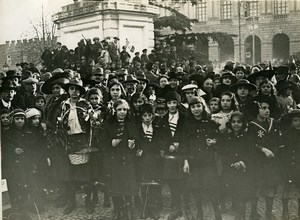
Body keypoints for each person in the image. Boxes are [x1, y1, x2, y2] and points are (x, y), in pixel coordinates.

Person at [57, 77, 94, 215]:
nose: (74, 92)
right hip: (69, 140)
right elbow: (60, 124)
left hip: (83, 139)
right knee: (69, 173)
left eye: (77, 89)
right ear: (68, 90)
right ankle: (71, 202)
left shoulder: (85, 104)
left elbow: (94, 124)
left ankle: (88, 201)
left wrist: (93, 118)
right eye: (72, 89)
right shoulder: (64, 105)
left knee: (86, 173)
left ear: (81, 92)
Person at [182, 96, 222, 220]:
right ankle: (200, 212)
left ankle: (217, 213)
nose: (196, 109)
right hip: (194, 161)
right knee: (196, 188)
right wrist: (185, 162)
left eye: (198, 106)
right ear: (190, 109)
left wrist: (215, 142)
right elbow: (184, 145)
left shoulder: (211, 122)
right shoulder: (186, 124)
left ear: (203, 107)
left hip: (209, 160)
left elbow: (221, 139)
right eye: (193, 107)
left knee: (212, 187)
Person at [102, 99, 141, 220]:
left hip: (128, 159)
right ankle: (117, 210)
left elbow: (139, 140)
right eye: (119, 109)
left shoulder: (132, 124)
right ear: (115, 110)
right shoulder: (109, 125)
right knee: (115, 185)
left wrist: (133, 144)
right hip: (114, 159)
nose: (122, 112)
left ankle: (128, 210)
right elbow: (102, 142)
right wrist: (111, 143)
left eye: (124, 109)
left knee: (128, 184)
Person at [248, 96, 282, 220]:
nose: (267, 110)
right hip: (258, 161)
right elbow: (250, 143)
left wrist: (276, 151)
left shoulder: (273, 123)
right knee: (257, 186)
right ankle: (253, 213)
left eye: (268, 108)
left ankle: (268, 213)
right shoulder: (252, 125)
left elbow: (278, 140)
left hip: (272, 160)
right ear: (257, 110)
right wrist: (262, 149)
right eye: (263, 108)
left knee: (270, 186)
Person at [157, 91, 188, 220]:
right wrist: (167, 145)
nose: (172, 105)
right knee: (171, 180)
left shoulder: (184, 118)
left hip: (182, 153)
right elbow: (160, 136)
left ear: (178, 103)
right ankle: (176, 206)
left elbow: (186, 134)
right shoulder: (163, 119)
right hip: (169, 154)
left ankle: (184, 207)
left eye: (174, 102)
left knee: (182, 179)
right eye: (169, 103)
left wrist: (178, 144)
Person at [222, 112, 255, 220]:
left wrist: (242, 163)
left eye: (239, 122)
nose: (236, 124)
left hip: (244, 173)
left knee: (242, 198)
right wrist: (231, 164)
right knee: (235, 197)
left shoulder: (248, 137)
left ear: (243, 123)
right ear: (230, 123)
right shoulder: (228, 137)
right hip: (231, 173)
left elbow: (251, 153)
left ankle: (241, 217)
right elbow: (225, 154)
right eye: (234, 122)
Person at [136, 103, 161, 219]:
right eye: (144, 115)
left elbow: (159, 142)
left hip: (154, 159)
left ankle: (154, 208)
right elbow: (135, 141)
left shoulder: (156, 127)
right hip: (142, 160)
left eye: (149, 115)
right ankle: (145, 208)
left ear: (153, 116)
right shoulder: (137, 128)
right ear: (141, 116)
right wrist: (138, 149)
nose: (147, 118)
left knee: (155, 184)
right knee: (144, 184)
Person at [279, 109, 300, 220]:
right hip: (288, 165)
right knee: (286, 187)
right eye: (295, 120)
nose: (298, 123)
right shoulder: (286, 135)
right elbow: (283, 152)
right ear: (291, 122)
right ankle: (285, 210)